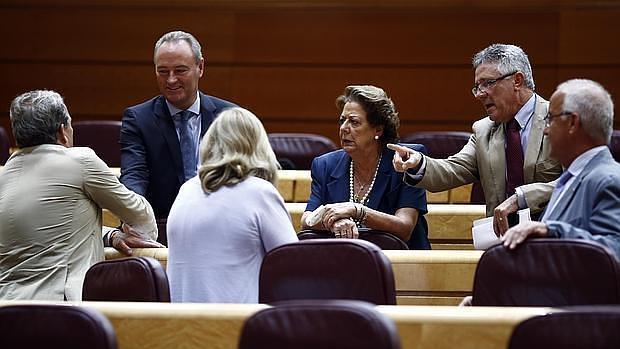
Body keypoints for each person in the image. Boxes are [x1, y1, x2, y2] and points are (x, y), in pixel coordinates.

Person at [0, 90, 161, 301]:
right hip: (61, 310)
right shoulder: (80, 161)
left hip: (7, 311)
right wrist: (144, 238)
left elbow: (43, 231)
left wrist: (108, 236)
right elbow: (141, 217)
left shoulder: (5, 175)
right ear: (62, 131)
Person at [389, 43, 562, 235]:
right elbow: (453, 169)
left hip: (554, 238)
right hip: (503, 242)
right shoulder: (484, 130)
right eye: (477, 87)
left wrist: (521, 197)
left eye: (487, 83)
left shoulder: (559, 118)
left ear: (517, 81)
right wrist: (418, 163)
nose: (480, 94)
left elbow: (580, 180)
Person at [166, 107, 298, 303]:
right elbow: (294, 264)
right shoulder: (259, 192)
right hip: (233, 327)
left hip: (179, 327)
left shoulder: (186, 190)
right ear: (259, 147)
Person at [120, 30, 236, 244]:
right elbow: (134, 174)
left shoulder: (229, 117)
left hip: (221, 227)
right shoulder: (138, 119)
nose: (171, 80)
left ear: (200, 67)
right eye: (163, 71)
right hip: (163, 227)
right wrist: (133, 214)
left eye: (180, 70)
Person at [501, 79, 620, 257]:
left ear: (572, 122)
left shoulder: (609, 180)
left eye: (551, 119)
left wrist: (551, 231)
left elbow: (614, 249)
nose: (546, 130)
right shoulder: (572, 177)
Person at [301, 85, 430, 249]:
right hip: (344, 263)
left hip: (402, 264)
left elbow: (404, 228)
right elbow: (307, 220)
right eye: (342, 121)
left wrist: (357, 211)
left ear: (378, 129)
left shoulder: (406, 159)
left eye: (354, 122)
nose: (343, 129)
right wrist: (333, 221)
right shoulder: (325, 165)